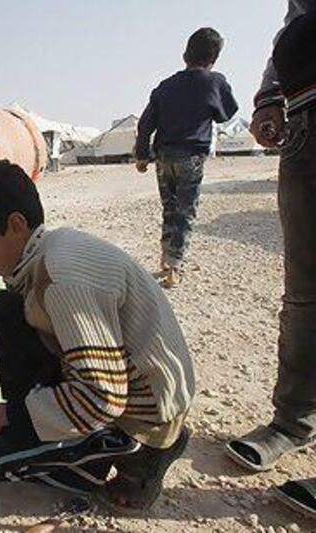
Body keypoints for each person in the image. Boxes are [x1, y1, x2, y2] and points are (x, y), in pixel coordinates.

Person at [0, 161, 195, 513]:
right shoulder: (49, 249)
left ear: (16, 225)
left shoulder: (62, 277)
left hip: (138, 411)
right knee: (4, 308)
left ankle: (133, 454)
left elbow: (102, 398)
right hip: (118, 385)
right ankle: (51, 428)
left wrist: (6, 415)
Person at [222, 1, 316, 519]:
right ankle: (292, 422)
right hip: (305, 121)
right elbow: (296, 19)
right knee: (304, 296)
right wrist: (269, 98)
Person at [135, 28, 239, 289]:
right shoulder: (214, 81)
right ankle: (174, 265)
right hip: (191, 157)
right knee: (185, 212)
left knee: (169, 209)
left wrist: (141, 155)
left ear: (185, 54)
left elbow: (145, 124)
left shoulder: (164, 86)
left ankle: (165, 255)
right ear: (214, 57)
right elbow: (226, 113)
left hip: (164, 158)